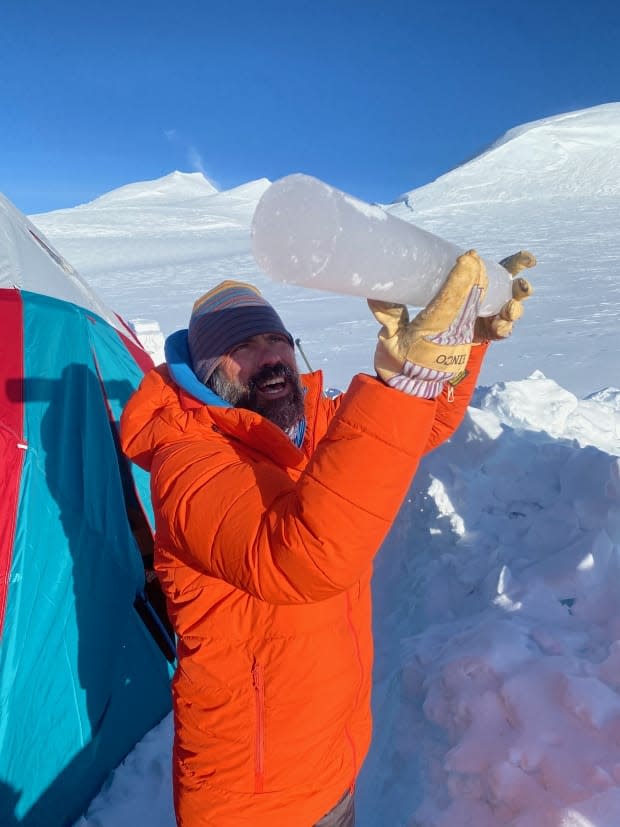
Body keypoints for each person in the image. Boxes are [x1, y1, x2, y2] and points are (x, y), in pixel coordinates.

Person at [120, 249, 535, 826]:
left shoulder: (307, 430)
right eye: (242, 349)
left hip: (332, 767)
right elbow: (302, 559)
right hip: (254, 802)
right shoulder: (190, 465)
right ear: (205, 372)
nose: (269, 359)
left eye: (276, 341)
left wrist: (465, 345)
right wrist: (402, 383)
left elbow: (423, 426)